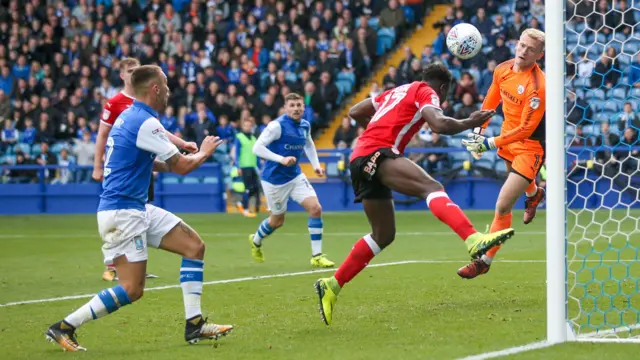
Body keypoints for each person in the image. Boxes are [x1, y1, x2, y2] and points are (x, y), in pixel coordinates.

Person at [44, 65, 232, 352]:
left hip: (134, 207)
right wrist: (205, 151)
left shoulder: (130, 118)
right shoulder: (145, 121)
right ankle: (64, 326)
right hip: (122, 213)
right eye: (166, 85)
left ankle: (194, 325)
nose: (169, 90)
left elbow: (142, 161)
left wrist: (174, 158)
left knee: (194, 247)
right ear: (154, 88)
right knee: (133, 289)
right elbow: (181, 168)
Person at [313, 63, 515, 325]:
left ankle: (332, 284)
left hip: (360, 157)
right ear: (442, 89)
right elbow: (439, 124)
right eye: (442, 96)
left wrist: (378, 129)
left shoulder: (398, 90)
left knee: (383, 234)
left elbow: (355, 111)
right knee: (433, 189)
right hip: (377, 153)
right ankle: (473, 238)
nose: (439, 100)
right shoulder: (425, 91)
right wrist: (470, 121)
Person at [92, 58, 197, 282]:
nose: (132, 73)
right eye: (129, 70)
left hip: (141, 164)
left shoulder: (143, 109)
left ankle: (133, 259)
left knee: (144, 205)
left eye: (135, 70)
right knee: (132, 288)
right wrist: (97, 165)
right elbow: (104, 134)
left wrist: (180, 143)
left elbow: (156, 130)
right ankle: (115, 261)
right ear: (122, 75)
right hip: (124, 175)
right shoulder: (118, 103)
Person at [459, 29, 547, 279]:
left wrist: (488, 142)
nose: (523, 51)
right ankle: (534, 193)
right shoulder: (503, 69)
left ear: (539, 55)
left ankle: (484, 260)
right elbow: (490, 103)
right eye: (521, 45)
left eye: (530, 49)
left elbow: (527, 129)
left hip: (530, 146)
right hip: (507, 140)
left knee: (503, 204)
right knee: (518, 182)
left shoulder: (538, 86)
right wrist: (477, 133)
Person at [249, 93, 335, 268]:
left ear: (304, 107)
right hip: (274, 181)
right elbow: (256, 148)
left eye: (299, 105)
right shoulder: (276, 126)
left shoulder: (305, 125)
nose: (296, 109)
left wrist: (316, 165)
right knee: (277, 221)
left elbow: (309, 144)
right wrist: (281, 159)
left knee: (315, 208)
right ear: (286, 108)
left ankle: (316, 256)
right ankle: (256, 240)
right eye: (293, 105)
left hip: (295, 176)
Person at [233, 118, 260, 217]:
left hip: (253, 166)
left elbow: (256, 153)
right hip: (244, 166)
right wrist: (238, 166)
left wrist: (258, 166)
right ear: (242, 127)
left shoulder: (253, 138)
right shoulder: (239, 137)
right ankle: (245, 209)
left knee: (255, 188)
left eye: (250, 126)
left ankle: (240, 204)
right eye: (246, 126)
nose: (248, 127)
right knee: (248, 188)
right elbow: (236, 153)